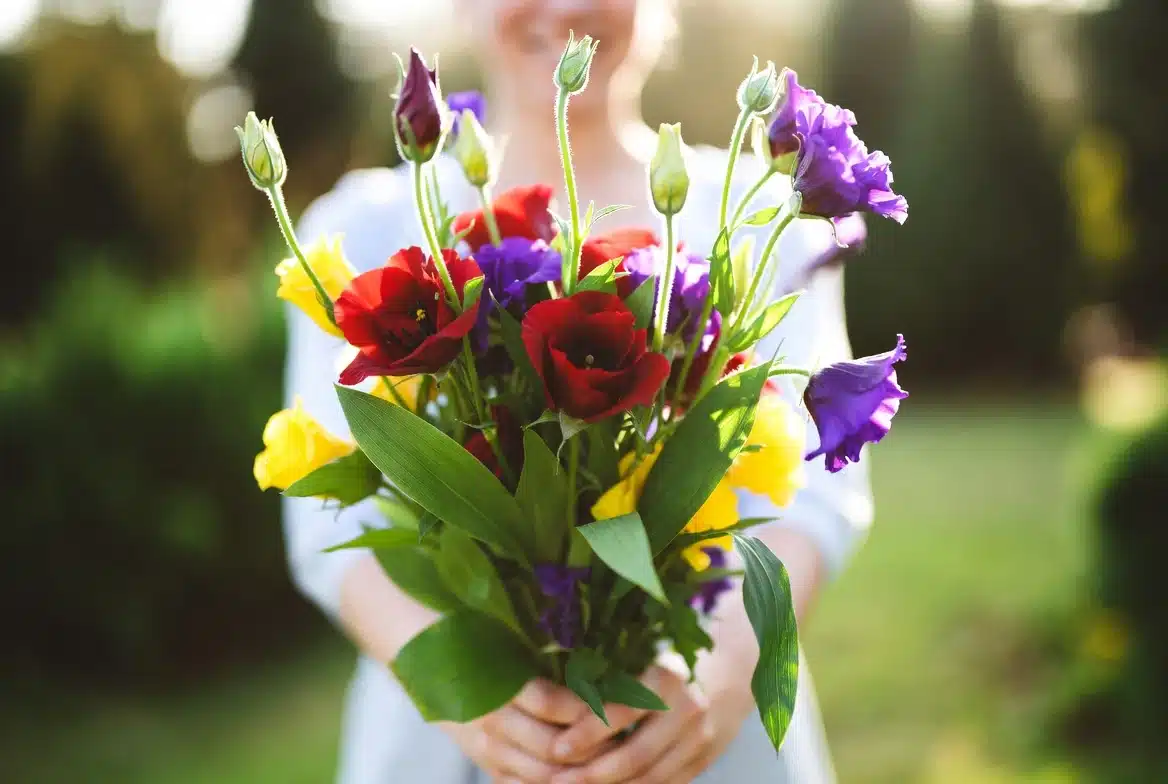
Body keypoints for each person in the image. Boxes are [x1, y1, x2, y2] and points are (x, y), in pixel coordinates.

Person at [282, 1, 873, 781]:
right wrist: (460, 690)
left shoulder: (760, 217)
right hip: (447, 735)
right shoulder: (364, 225)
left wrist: (727, 670)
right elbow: (324, 516)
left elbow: (817, 493)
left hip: (700, 723)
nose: (565, 6)